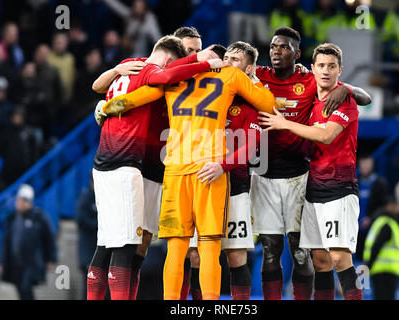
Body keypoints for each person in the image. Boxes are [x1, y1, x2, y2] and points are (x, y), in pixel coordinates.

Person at [101, 45, 277, 300]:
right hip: (210, 171)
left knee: (175, 249)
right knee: (209, 248)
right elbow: (268, 104)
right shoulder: (231, 75)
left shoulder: (174, 78)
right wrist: (251, 77)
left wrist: (105, 108)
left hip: (174, 171)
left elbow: (132, 99)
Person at [87, 35, 224, 300]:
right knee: (126, 243)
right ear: (173, 56)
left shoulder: (140, 66)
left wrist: (112, 91)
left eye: (196, 50)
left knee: (121, 243)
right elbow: (155, 80)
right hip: (130, 165)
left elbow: (100, 87)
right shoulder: (150, 70)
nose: (193, 54)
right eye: (189, 51)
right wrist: (201, 61)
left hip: (141, 167)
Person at [251, 27, 371, 300]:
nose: (326, 71)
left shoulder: (341, 98)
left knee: (338, 258)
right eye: (321, 66)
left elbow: (327, 135)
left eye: (332, 67)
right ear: (313, 69)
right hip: (310, 187)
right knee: (319, 259)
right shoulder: (304, 94)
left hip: (334, 187)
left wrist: (347, 88)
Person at [185, 41, 262, 300]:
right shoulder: (206, 92)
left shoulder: (251, 100)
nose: (228, 62)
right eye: (226, 57)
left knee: (236, 255)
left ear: (249, 68)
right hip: (202, 182)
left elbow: (250, 148)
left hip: (235, 184)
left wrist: (223, 166)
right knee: (197, 254)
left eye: (236, 60)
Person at [0, 184, 57, 300]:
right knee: (20, 289)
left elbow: (49, 239)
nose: (17, 203)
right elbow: (6, 242)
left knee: (26, 289)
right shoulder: (14, 219)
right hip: (16, 263)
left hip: (31, 263)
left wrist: (51, 258)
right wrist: (2, 261)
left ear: (27, 202)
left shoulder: (39, 217)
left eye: (20, 200)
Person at [363, 196, 399, 300]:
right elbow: (377, 246)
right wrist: (369, 265)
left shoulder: (380, 221)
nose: (397, 209)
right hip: (386, 270)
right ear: (388, 206)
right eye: (394, 206)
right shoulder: (388, 224)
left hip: (382, 270)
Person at [356, 154, 389, 261]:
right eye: (363, 163)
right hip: (354, 230)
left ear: (372, 164)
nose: (365, 166)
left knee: (368, 261)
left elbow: (383, 206)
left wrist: (371, 218)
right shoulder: (354, 182)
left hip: (372, 229)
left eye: (367, 163)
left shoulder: (380, 183)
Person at [76, 173, 98, 300]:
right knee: (90, 287)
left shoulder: (105, 198)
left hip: (101, 253)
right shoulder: (85, 198)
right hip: (88, 254)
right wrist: (101, 225)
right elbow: (82, 220)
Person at [48, 32, 76, 104]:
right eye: (58, 43)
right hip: (52, 100)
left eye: (62, 43)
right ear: (53, 43)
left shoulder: (70, 58)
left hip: (69, 99)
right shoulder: (48, 57)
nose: (60, 45)